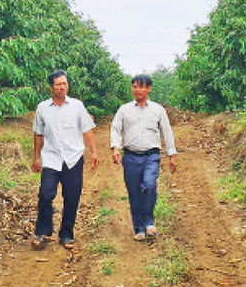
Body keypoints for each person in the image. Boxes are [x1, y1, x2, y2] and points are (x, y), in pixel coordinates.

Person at [30, 70, 98, 250]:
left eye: (65, 83)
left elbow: (87, 130)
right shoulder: (42, 108)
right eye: (58, 84)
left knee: (71, 196)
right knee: (45, 194)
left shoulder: (77, 106)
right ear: (51, 86)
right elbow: (38, 133)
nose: (62, 87)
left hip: (73, 158)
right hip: (51, 157)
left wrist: (94, 152)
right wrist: (36, 157)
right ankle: (43, 231)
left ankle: (66, 233)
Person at [110, 74, 177, 241]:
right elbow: (115, 129)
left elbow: (167, 132)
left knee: (149, 186)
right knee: (134, 193)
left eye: (141, 87)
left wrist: (172, 155)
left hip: (151, 156)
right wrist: (116, 148)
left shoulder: (158, 110)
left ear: (149, 88)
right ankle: (139, 228)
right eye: (134, 86)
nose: (137, 90)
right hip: (131, 157)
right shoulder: (124, 110)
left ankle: (148, 221)